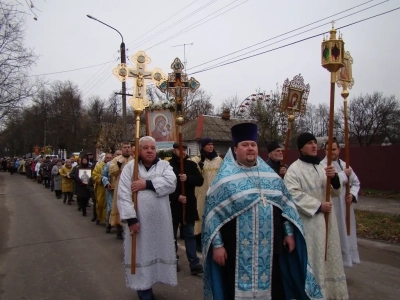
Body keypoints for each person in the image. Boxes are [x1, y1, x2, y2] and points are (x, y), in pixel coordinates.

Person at [202, 123, 322, 300]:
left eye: (253, 144)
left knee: (275, 288)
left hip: (270, 248)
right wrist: (217, 245)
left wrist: (289, 233)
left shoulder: (271, 177)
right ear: (235, 149)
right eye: (245, 145)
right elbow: (213, 217)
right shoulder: (224, 180)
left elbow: (285, 207)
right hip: (235, 250)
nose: (250, 148)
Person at [284, 132, 349, 299]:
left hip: (329, 222)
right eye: (309, 143)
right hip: (310, 223)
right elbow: (293, 195)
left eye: (314, 142)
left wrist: (334, 178)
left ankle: (332, 294)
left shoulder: (323, 167)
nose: (314, 146)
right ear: (301, 148)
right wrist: (318, 206)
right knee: (315, 260)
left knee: (330, 260)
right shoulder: (294, 170)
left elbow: (335, 191)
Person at [117, 136, 177, 300]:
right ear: (139, 150)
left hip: (160, 223)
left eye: (152, 147)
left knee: (158, 252)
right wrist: (131, 220)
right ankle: (144, 290)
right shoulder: (131, 168)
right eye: (146, 148)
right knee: (141, 255)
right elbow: (123, 194)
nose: (150, 151)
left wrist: (147, 184)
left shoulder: (164, 165)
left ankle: (154, 281)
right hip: (140, 222)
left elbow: (171, 183)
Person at [321, 138, 361, 267]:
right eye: (328, 149)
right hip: (332, 207)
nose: (331, 152)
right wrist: (343, 175)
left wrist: (352, 195)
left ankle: (346, 262)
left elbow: (355, 183)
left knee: (346, 235)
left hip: (345, 207)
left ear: (339, 150)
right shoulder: (322, 166)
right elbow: (330, 186)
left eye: (333, 149)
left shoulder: (345, 165)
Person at [169, 142, 204, 274]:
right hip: (173, 206)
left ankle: (194, 263)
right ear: (174, 150)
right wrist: (176, 197)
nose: (182, 151)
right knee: (171, 236)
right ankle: (173, 260)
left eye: (184, 149)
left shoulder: (191, 164)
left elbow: (200, 180)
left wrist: (187, 178)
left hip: (188, 206)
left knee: (189, 235)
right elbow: (163, 186)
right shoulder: (168, 166)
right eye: (179, 149)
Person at [191, 137, 223, 252]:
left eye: (212, 144)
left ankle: (215, 239)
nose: (210, 146)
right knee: (201, 213)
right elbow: (194, 175)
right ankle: (198, 240)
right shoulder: (196, 159)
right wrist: (201, 164)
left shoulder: (218, 160)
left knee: (215, 214)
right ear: (203, 146)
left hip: (215, 192)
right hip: (201, 192)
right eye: (208, 144)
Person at [109, 142, 134, 239]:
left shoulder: (133, 160)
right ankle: (119, 228)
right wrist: (119, 165)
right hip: (119, 186)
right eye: (125, 147)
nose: (127, 149)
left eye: (128, 147)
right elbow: (112, 172)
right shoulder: (116, 160)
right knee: (119, 205)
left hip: (131, 186)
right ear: (122, 148)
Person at [102, 150, 122, 233]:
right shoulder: (108, 164)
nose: (118, 156)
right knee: (110, 208)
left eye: (120, 154)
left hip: (121, 190)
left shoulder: (126, 164)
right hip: (111, 190)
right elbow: (103, 175)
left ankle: (119, 229)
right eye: (117, 154)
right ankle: (108, 225)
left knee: (120, 209)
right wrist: (107, 183)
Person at [92, 153, 111, 225]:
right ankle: (99, 217)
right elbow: (94, 175)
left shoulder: (113, 166)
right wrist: (102, 180)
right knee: (100, 203)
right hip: (101, 188)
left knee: (109, 205)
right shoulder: (99, 166)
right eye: (107, 158)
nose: (109, 159)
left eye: (110, 158)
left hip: (110, 188)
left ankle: (108, 220)